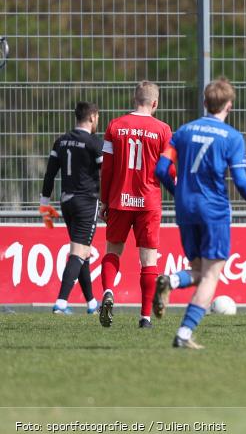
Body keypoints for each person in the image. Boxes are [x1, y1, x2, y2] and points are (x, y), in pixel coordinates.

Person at [153, 77, 246, 349]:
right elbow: (240, 180)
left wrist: (177, 190)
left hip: (185, 208)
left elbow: (160, 170)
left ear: (205, 103)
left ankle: (170, 279)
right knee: (211, 275)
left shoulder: (182, 132)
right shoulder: (232, 138)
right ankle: (184, 333)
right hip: (213, 211)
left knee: (197, 271)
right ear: (229, 106)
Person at [98, 81, 172, 329]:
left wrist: (104, 200)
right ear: (155, 103)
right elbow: (168, 170)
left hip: (120, 198)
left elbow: (106, 168)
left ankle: (108, 292)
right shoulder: (163, 130)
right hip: (148, 200)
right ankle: (145, 318)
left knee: (112, 251)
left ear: (133, 99)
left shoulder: (115, 126)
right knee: (148, 260)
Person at [39, 102, 103, 315]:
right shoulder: (94, 143)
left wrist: (44, 203)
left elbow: (50, 173)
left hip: (66, 202)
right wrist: (109, 201)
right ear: (93, 117)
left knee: (82, 250)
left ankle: (92, 303)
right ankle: (61, 303)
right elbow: (107, 174)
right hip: (86, 202)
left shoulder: (61, 141)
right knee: (79, 251)